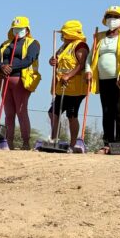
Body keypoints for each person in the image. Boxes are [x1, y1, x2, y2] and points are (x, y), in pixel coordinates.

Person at [85, 6, 120, 154]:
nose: (112, 19)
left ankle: (118, 143)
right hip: (103, 79)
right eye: (109, 16)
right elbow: (90, 57)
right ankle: (107, 144)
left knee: (119, 111)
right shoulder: (99, 37)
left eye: (115, 17)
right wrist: (88, 70)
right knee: (107, 111)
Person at [0, 16, 41, 150]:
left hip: (21, 80)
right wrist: (2, 66)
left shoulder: (33, 43)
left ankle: (26, 142)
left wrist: (11, 67)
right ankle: (8, 142)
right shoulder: (5, 44)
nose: (18, 31)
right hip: (4, 80)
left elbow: (29, 60)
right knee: (9, 113)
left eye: (21, 29)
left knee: (21, 111)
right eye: (15, 29)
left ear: (27, 29)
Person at [48, 20, 89, 150]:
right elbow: (57, 60)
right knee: (53, 112)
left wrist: (69, 75)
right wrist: (52, 60)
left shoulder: (80, 46)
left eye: (65, 33)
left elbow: (81, 65)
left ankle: (73, 144)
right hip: (62, 87)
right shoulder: (63, 46)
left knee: (72, 115)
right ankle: (54, 139)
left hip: (75, 88)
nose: (63, 36)